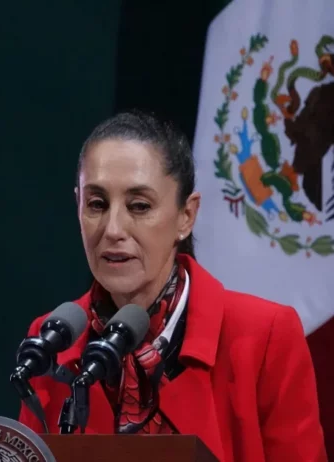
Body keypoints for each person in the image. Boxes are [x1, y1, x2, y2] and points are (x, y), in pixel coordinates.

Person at [18, 110, 327, 462]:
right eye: (97, 204)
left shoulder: (265, 337)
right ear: (78, 207)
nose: (113, 229)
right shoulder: (52, 340)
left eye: (139, 206)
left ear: (186, 216)